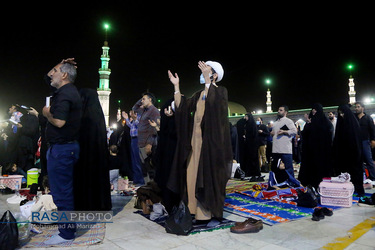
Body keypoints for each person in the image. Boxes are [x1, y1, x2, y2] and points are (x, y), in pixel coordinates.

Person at [168, 61, 232, 223]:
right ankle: (191, 208)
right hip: (193, 142)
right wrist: (176, 87)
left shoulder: (220, 92)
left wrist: (209, 82)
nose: (202, 72)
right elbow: (182, 108)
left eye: (207, 70)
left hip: (209, 145)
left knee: (205, 176)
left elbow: (216, 109)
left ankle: (204, 213)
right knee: (191, 174)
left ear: (215, 75)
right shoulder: (198, 94)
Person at [42, 58, 82, 245]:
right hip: (62, 148)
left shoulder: (65, 94)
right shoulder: (65, 90)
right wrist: (58, 63)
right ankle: (67, 229)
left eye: (56, 70)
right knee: (61, 191)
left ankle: (66, 233)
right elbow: (47, 77)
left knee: (62, 193)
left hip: (63, 149)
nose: (52, 73)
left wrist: (46, 113)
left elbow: (59, 121)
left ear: (64, 75)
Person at [74, 88, 112, 211]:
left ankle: (83, 204)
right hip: (98, 157)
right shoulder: (98, 118)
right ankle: (99, 204)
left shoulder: (81, 117)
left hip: (83, 156)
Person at [298, 103, 334, 189]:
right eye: (313, 109)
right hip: (311, 151)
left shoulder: (325, 122)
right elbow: (305, 134)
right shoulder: (310, 121)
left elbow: (327, 133)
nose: (314, 111)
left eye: (316, 109)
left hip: (322, 151)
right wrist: (308, 124)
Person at [333, 104, 364, 196]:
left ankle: (358, 189)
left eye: (343, 113)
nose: (341, 115)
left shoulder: (353, 124)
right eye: (340, 113)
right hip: (343, 154)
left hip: (353, 153)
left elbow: (356, 140)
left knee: (356, 171)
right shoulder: (341, 125)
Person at [132, 92, 160, 181]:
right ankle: (147, 188)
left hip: (147, 144)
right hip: (141, 143)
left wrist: (150, 144)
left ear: (150, 99)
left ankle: (151, 189)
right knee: (144, 168)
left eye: (144, 99)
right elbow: (134, 108)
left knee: (150, 169)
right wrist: (142, 100)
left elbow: (154, 128)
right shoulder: (144, 110)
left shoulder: (154, 111)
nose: (142, 101)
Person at [271, 105, 297, 180]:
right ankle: (278, 182)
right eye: (278, 110)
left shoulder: (288, 121)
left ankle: (291, 183)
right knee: (276, 168)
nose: (279, 111)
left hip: (285, 150)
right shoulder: (275, 123)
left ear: (285, 112)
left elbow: (294, 131)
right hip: (276, 149)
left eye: (281, 110)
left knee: (288, 168)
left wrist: (284, 131)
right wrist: (272, 133)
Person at [354, 102, 375, 184]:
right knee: (359, 160)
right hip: (356, 143)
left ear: (363, 108)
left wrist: (373, 140)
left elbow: (372, 129)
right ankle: (363, 177)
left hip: (365, 142)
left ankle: (373, 178)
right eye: (355, 107)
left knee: (369, 160)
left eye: (358, 107)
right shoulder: (354, 118)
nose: (356, 108)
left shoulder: (367, 118)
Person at [124, 110, 144, 185]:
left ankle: (141, 180)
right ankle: (136, 179)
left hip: (138, 139)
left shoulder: (140, 117)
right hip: (132, 140)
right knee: (133, 161)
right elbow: (130, 125)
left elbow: (140, 126)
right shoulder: (133, 119)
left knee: (138, 160)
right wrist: (126, 118)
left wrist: (135, 119)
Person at [243, 113, 261, 180]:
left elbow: (253, 136)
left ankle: (255, 173)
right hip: (249, 145)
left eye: (246, 116)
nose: (245, 118)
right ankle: (250, 172)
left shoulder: (252, 125)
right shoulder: (247, 125)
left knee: (253, 159)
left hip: (252, 145)